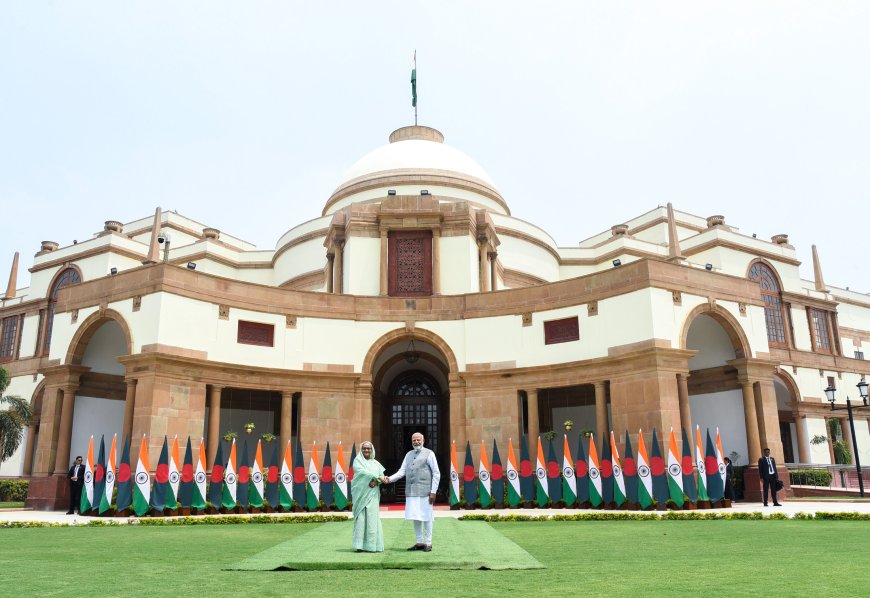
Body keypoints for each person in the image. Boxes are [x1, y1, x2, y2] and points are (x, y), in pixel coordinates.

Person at [383, 432, 441, 552]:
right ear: (411, 441)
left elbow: (436, 473)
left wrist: (433, 491)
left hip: (426, 491)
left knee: (427, 517)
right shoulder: (408, 454)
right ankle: (419, 542)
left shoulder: (429, 454)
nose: (416, 442)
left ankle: (428, 543)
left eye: (418, 440)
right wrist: (389, 479)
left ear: (423, 440)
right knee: (416, 517)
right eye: (414, 440)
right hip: (411, 492)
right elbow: (401, 471)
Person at [351, 441, 385, 552]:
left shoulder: (376, 463)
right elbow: (362, 473)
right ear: (361, 449)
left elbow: (382, 476)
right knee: (361, 519)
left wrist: (377, 482)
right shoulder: (357, 461)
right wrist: (377, 477)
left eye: (368, 448)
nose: (366, 450)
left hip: (372, 495)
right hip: (360, 495)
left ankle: (371, 545)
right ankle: (359, 546)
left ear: (372, 450)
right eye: (364, 448)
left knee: (372, 518)